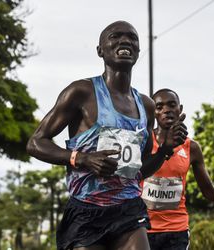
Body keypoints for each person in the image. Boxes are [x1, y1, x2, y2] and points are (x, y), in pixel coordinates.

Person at [26, 21, 188, 250]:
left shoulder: (146, 105)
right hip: (86, 210)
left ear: (138, 50)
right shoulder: (81, 92)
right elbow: (35, 142)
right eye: (115, 36)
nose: (124, 41)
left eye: (132, 37)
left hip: (128, 209)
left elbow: (138, 170)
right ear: (100, 50)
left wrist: (164, 150)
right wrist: (82, 158)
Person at [140, 88, 214, 250]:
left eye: (172, 105)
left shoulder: (192, 147)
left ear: (180, 109)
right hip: (144, 228)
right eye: (160, 107)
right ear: (153, 112)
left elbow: (208, 190)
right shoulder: (144, 141)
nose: (166, 110)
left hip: (177, 230)